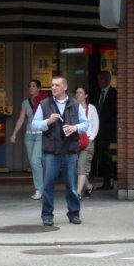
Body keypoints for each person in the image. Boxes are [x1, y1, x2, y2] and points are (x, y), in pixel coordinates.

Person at [31, 75, 88, 226]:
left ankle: (74, 213)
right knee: (48, 184)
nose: (53, 87)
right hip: (51, 150)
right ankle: (47, 215)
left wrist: (75, 128)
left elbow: (86, 124)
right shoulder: (44, 104)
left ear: (65, 87)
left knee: (71, 185)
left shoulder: (75, 104)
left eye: (57, 85)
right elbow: (34, 125)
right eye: (52, 85)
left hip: (70, 150)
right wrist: (48, 121)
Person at [9, 79, 48, 199]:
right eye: (29, 86)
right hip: (29, 135)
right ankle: (41, 187)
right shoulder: (25, 103)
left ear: (39, 88)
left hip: (40, 134)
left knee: (36, 161)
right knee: (33, 163)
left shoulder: (44, 101)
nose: (31, 88)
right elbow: (21, 119)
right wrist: (14, 133)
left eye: (34, 86)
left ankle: (39, 190)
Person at [94, 70, 117, 190]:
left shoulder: (114, 94)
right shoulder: (97, 94)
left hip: (109, 132)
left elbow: (115, 114)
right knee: (102, 156)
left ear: (107, 80)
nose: (99, 82)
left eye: (101, 79)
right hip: (98, 131)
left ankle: (110, 180)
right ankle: (106, 180)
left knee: (107, 157)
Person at [74, 86, 99, 198]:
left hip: (87, 141)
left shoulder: (91, 108)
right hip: (75, 141)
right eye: (77, 93)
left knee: (81, 167)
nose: (78, 94)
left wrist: (91, 138)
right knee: (78, 168)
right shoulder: (73, 108)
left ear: (86, 95)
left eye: (80, 92)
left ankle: (78, 193)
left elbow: (96, 124)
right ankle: (88, 186)